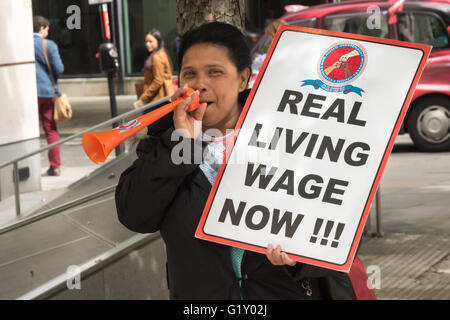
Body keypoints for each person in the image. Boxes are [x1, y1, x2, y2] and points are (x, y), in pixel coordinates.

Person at [115, 22, 375, 300]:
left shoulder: (292, 134)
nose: (200, 84)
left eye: (215, 72)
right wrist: (181, 144)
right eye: (190, 74)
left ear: (242, 79)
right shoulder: (165, 143)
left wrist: (301, 258)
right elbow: (135, 215)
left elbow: (344, 231)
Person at [33, 16, 64, 176]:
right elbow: (59, 68)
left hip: (28, 93)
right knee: (50, 128)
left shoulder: (22, 44)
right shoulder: (48, 45)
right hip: (46, 91)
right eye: (47, 29)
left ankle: (30, 168)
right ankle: (55, 166)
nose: (47, 32)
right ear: (42, 28)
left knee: (30, 131)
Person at [135, 29, 175, 108]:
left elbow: (158, 80)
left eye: (150, 41)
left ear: (158, 41)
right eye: (146, 42)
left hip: (157, 99)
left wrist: (144, 98)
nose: (147, 44)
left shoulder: (157, 57)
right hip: (159, 98)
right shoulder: (160, 53)